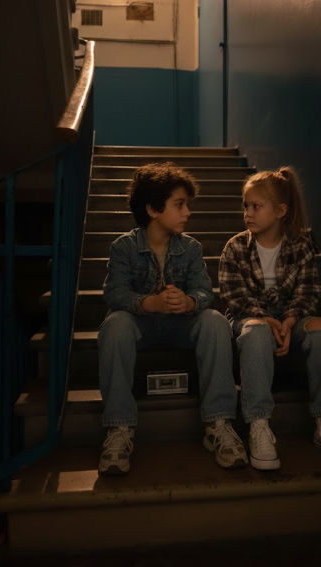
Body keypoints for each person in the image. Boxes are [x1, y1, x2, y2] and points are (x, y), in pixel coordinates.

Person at [97, 162, 248, 475]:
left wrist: (190, 301)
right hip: (141, 324)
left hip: (181, 325)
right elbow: (114, 293)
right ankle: (119, 428)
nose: (187, 212)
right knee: (114, 324)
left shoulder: (190, 248)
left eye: (187, 205)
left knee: (215, 321)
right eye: (179, 205)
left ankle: (218, 423)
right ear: (153, 209)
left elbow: (205, 291)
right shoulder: (123, 247)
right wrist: (148, 302)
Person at [218, 166, 321, 470]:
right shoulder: (235, 247)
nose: (248, 213)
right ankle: (258, 424)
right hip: (250, 320)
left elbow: (307, 293)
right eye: (246, 206)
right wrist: (267, 320)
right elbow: (234, 297)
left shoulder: (301, 246)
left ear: (280, 211)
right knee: (256, 331)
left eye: (256, 206)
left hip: (290, 320)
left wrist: (290, 320)